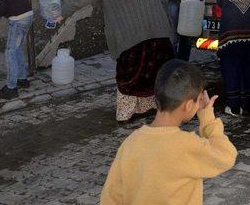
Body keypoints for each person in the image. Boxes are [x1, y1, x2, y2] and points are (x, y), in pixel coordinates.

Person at [100, 59, 237, 204]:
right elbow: (226, 155)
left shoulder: (130, 143)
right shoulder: (188, 145)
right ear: (189, 105)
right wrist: (207, 119)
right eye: (198, 101)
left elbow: (111, 197)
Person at [61, 0, 174, 122]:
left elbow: (80, 0)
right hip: (159, 35)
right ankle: (153, 106)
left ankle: (127, 113)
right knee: (156, 73)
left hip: (130, 39)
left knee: (130, 76)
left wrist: (61, 13)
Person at [0, 0, 33, 100]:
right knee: (17, 48)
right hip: (28, 16)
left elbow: (1, 7)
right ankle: (22, 79)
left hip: (18, 20)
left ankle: (11, 88)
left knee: (10, 52)